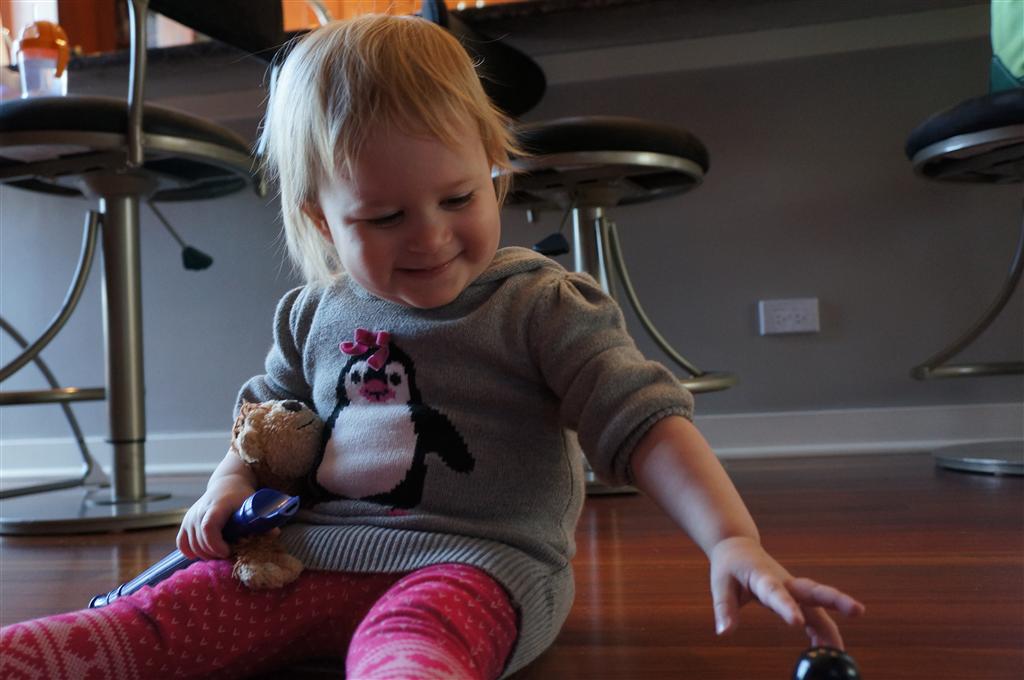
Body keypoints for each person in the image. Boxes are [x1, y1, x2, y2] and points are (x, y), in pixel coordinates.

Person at [0, 14, 864, 680]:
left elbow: (641, 421)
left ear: (494, 167)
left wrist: (731, 539)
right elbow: (266, 424)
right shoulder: (310, 314)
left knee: (416, 648)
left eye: (458, 198)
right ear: (321, 220)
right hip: (304, 558)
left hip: (476, 568)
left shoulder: (539, 303)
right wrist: (228, 486)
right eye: (384, 216)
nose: (431, 236)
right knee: (150, 622)